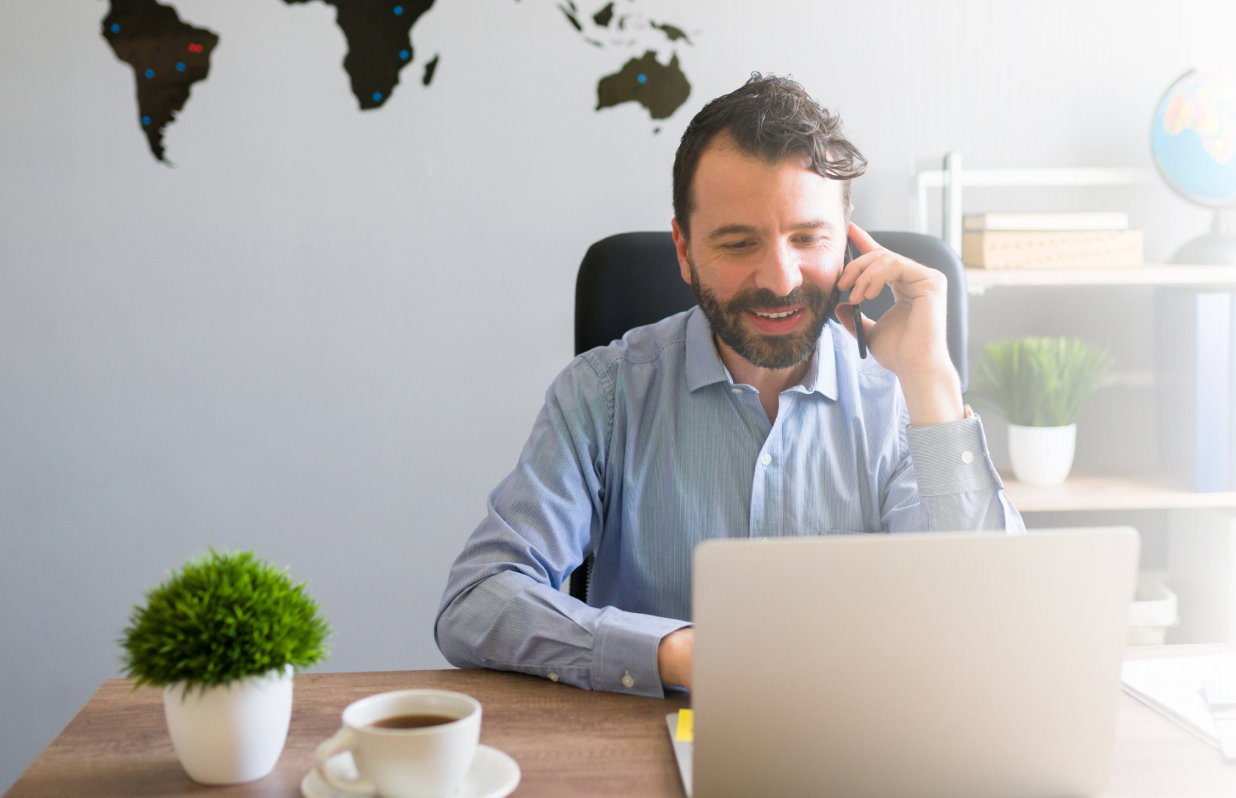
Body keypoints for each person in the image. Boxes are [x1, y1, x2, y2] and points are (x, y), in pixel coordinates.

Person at [435, 74, 1025, 697]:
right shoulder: (601, 397)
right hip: (655, 743)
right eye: (740, 242)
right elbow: (475, 603)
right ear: (685, 251)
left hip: (863, 741)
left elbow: (996, 623)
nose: (779, 278)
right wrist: (673, 653)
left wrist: (931, 383)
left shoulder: (898, 399)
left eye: (808, 238)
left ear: (848, 243)